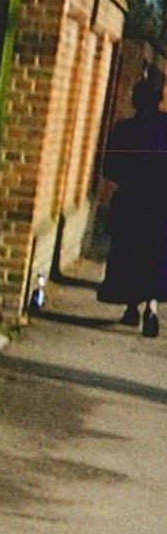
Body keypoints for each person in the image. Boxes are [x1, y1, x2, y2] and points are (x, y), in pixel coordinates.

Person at [97, 69, 167, 338]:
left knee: (129, 254)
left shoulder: (125, 129)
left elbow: (110, 168)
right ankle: (151, 305)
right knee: (155, 256)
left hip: (132, 202)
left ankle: (130, 307)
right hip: (161, 205)